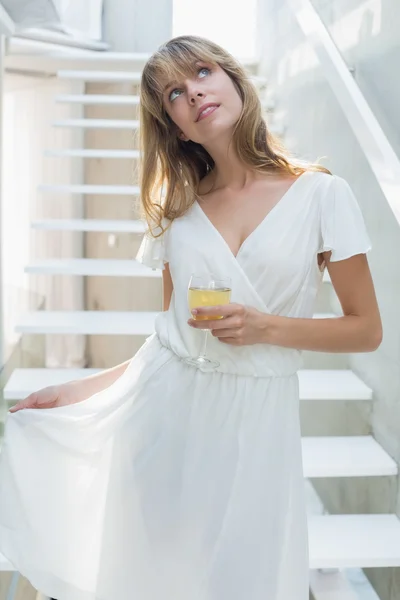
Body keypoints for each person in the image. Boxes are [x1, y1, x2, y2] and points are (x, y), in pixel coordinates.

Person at [0, 35, 382, 600]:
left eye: (202, 72)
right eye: (174, 92)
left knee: (245, 579)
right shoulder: (176, 214)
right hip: (162, 426)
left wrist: (264, 327)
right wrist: (77, 390)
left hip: (257, 430)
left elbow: (366, 329)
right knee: (152, 576)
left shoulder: (322, 195)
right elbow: (167, 346)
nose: (193, 91)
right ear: (176, 126)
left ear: (233, 80)